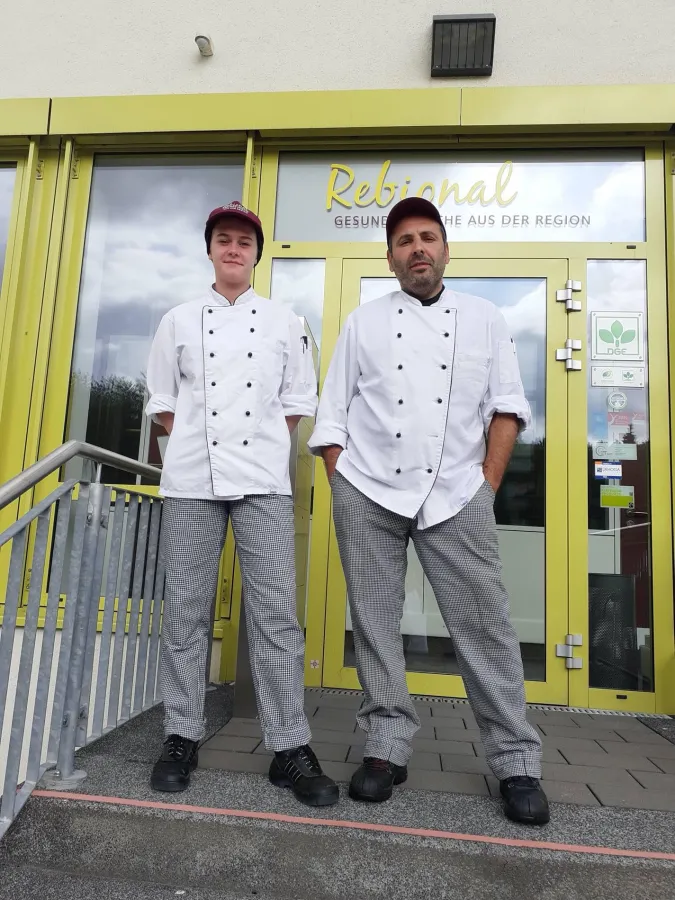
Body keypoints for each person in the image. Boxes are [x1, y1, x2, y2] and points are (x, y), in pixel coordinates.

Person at [308, 197, 549, 825]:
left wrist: (485, 487)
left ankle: (516, 759)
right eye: (405, 241)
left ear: (446, 248)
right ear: (390, 257)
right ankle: (386, 749)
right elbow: (331, 416)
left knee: (486, 630)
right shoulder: (362, 323)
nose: (418, 248)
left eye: (428, 237)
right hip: (368, 493)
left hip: (456, 496)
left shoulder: (486, 318)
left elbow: (506, 409)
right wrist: (343, 483)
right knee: (376, 627)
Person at [145, 201, 338, 807]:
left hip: (262, 482)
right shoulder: (176, 320)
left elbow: (297, 400)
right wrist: (198, 444)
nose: (234, 249)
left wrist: (256, 444)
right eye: (224, 240)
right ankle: (181, 734)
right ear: (210, 249)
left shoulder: (285, 321)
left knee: (275, 614)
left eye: (244, 242)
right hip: (191, 483)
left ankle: (289, 747)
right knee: (186, 613)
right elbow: (163, 401)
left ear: (257, 254)